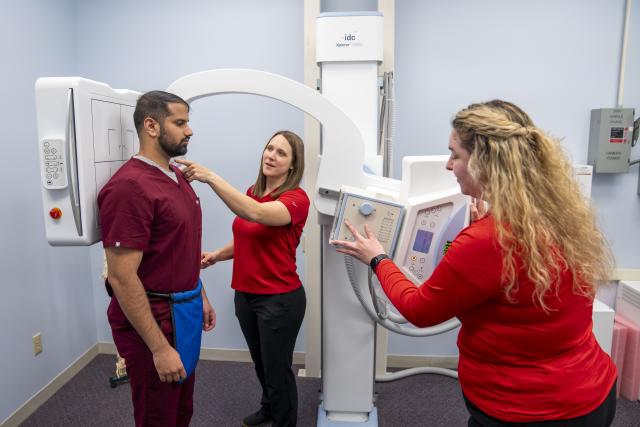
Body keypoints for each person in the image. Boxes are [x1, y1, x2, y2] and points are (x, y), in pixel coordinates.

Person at [331, 100, 618, 426]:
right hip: (591, 391)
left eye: (456, 155)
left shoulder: (488, 240)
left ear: (486, 164)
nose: (448, 165)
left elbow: (418, 310)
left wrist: (378, 258)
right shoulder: (561, 215)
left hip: (529, 411)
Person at [98, 91, 216, 427]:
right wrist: (159, 348)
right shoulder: (130, 188)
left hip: (184, 309)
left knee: (181, 408)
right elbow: (122, 277)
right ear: (151, 126)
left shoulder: (176, 175)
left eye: (187, 122)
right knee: (157, 415)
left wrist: (200, 294)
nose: (189, 131)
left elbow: (179, 246)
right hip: (152, 319)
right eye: (180, 123)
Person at [177, 130, 309, 427]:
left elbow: (258, 215)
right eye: (269, 148)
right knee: (262, 365)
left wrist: (210, 177)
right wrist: (217, 255)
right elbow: (249, 238)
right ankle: (269, 408)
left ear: (292, 165)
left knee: (278, 369)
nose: (271, 155)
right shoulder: (253, 191)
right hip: (246, 295)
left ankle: (284, 421)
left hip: (279, 299)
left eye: (281, 153)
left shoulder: (296, 200)